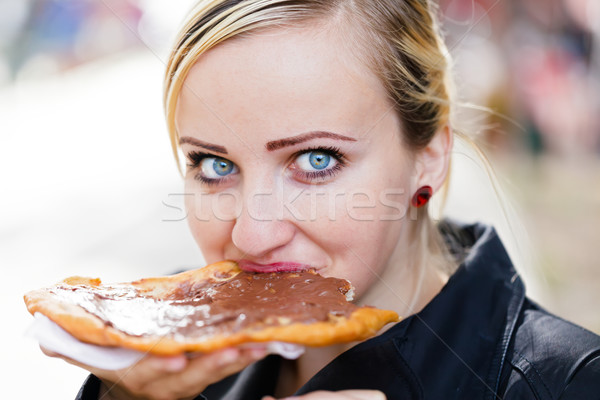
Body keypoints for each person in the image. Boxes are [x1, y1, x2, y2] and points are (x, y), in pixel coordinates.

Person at [42, 0, 600, 399]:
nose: (252, 235)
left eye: (316, 160)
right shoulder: (160, 369)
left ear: (428, 155)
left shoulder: (570, 382)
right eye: (214, 166)